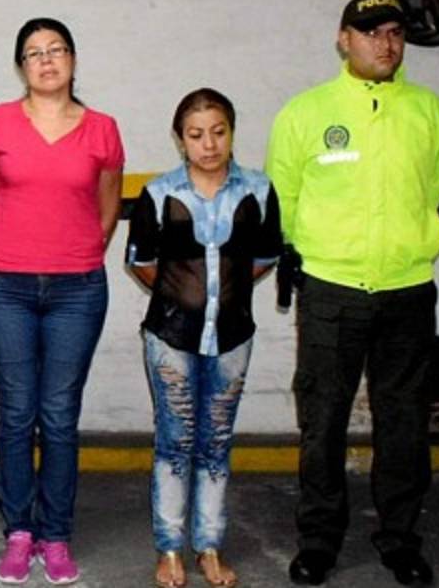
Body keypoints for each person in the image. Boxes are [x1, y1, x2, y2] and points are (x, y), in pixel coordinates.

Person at [266, 0, 439, 587]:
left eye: (394, 32)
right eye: (371, 32)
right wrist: (305, 256)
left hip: (407, 291)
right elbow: (283, 196)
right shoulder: (306, 113)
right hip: (331, 291)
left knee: (404, 423)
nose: (385, 44)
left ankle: (400, 540)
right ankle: (319, 541)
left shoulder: (430, 113)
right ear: (343, 39)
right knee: (322, 420)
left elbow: (431, 190)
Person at [0, 17, 124, 586]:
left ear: (73, 60)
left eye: (56, 49)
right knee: (16, 413)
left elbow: (107, 208)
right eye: (34, 53)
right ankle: (19, 531)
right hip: (3, 287)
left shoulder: (103, 129)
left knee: (59, 415)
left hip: (76, 291)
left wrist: (75, 252)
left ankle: (56, 534)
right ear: (21, 67)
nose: (46, 60)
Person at [126, 88, 282, 588]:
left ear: (232, 132)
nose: (209, 145)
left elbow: (265, 257)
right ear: (180, 139)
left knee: (216, 442)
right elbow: (141, 262)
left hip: (233, 338)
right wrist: (186, 298)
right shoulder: (159, 194)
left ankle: (209, 545)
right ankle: (170, 549)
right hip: (171, 338)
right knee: (174, 442)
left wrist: (223, 297)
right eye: (196, 135)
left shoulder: (258, 190)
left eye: (218, 132)